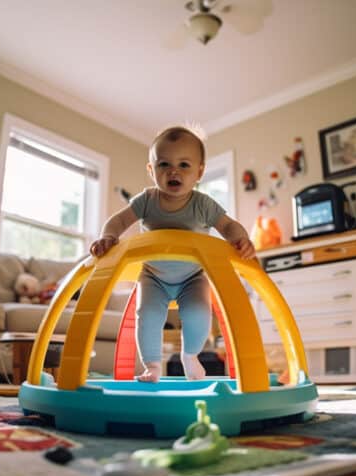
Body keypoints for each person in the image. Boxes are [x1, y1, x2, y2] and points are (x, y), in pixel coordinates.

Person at [90, 126, 256, 382]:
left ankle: (190, 356)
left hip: (193, 276)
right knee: (147, 314)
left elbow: (228, 225)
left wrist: (240, 238)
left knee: (199, 312)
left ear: (199, 171)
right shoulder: (146, 200)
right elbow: (118, 221)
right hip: (153, 276)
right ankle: (153, 366)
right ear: (151, 170)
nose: (173, 171)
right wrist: (108, 237)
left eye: (184, 165)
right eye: (164, 164)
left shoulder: (203, 204)